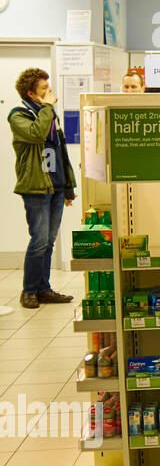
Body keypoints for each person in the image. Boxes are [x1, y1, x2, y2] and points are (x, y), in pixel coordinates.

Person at [9, 68, 76, 309]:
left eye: (49, 88)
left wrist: (68, 187)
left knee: (49, 241)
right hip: (36, 188)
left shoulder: (50, 116)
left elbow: (61, 152)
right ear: (31, 94)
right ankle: (28, 291)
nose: (50, 93)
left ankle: (43, 289)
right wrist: (48, 107)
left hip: (55, 186)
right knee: (38, 240)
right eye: (44, 90)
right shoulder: (19, 115)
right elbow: (36, 134)